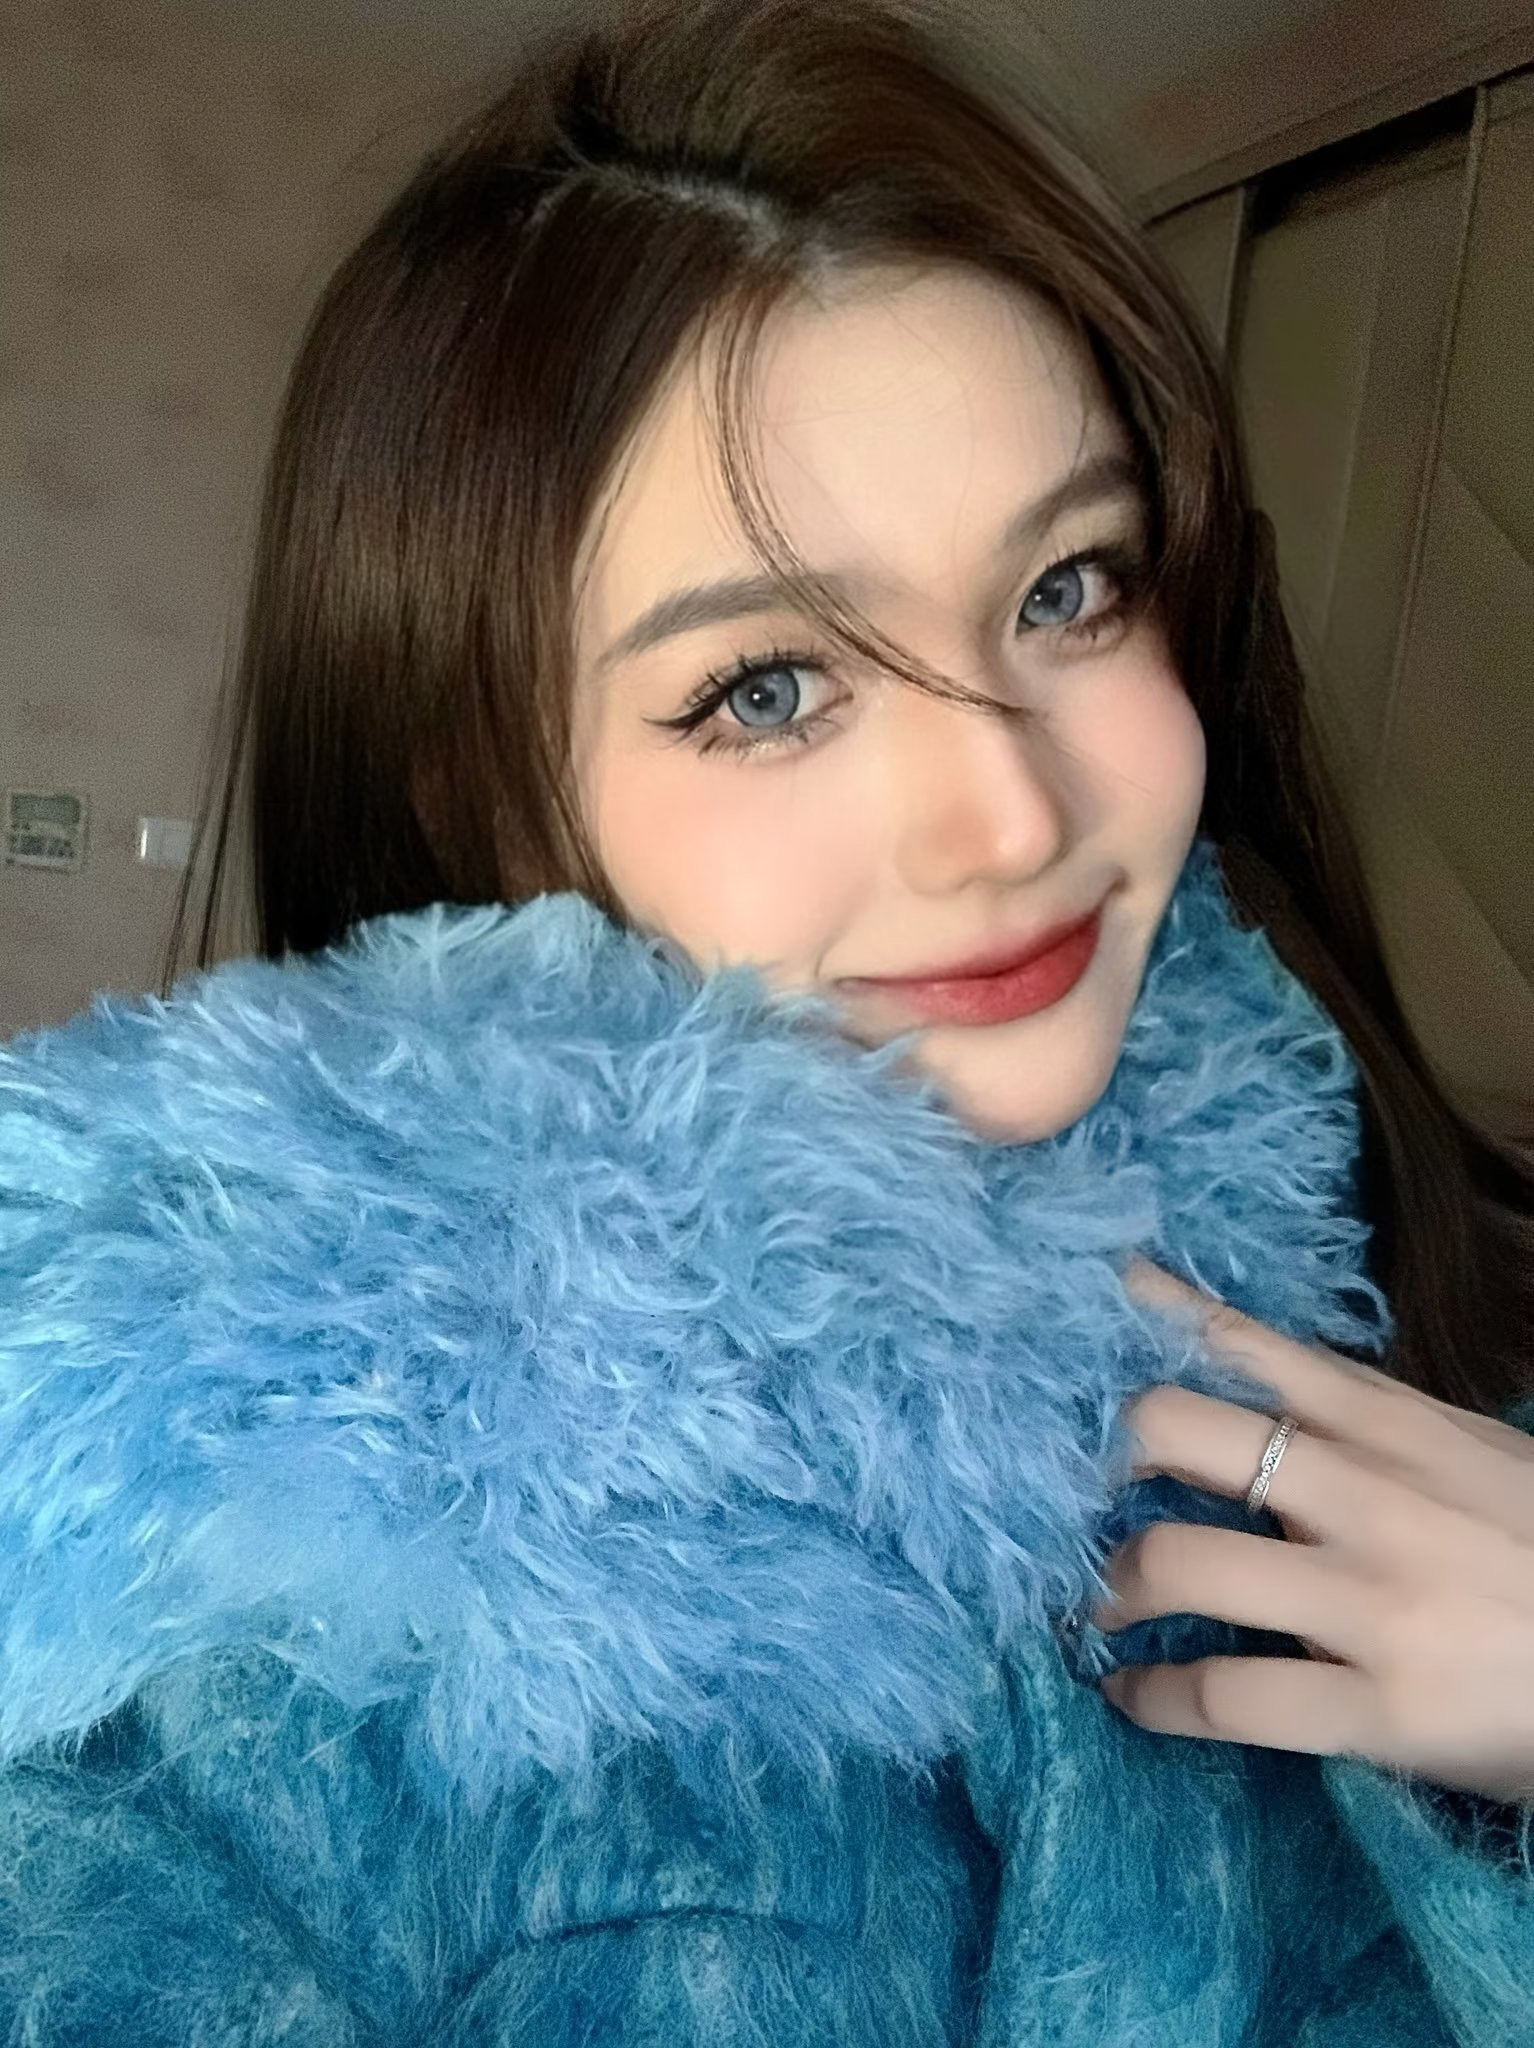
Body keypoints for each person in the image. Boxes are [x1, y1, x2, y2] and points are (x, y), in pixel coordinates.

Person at [1, 1, 1531, 2040]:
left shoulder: (1415, 1299)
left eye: (1065, 589)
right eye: (770, 689)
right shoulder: (211, 1645)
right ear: (478, 796)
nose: (1014, 819)